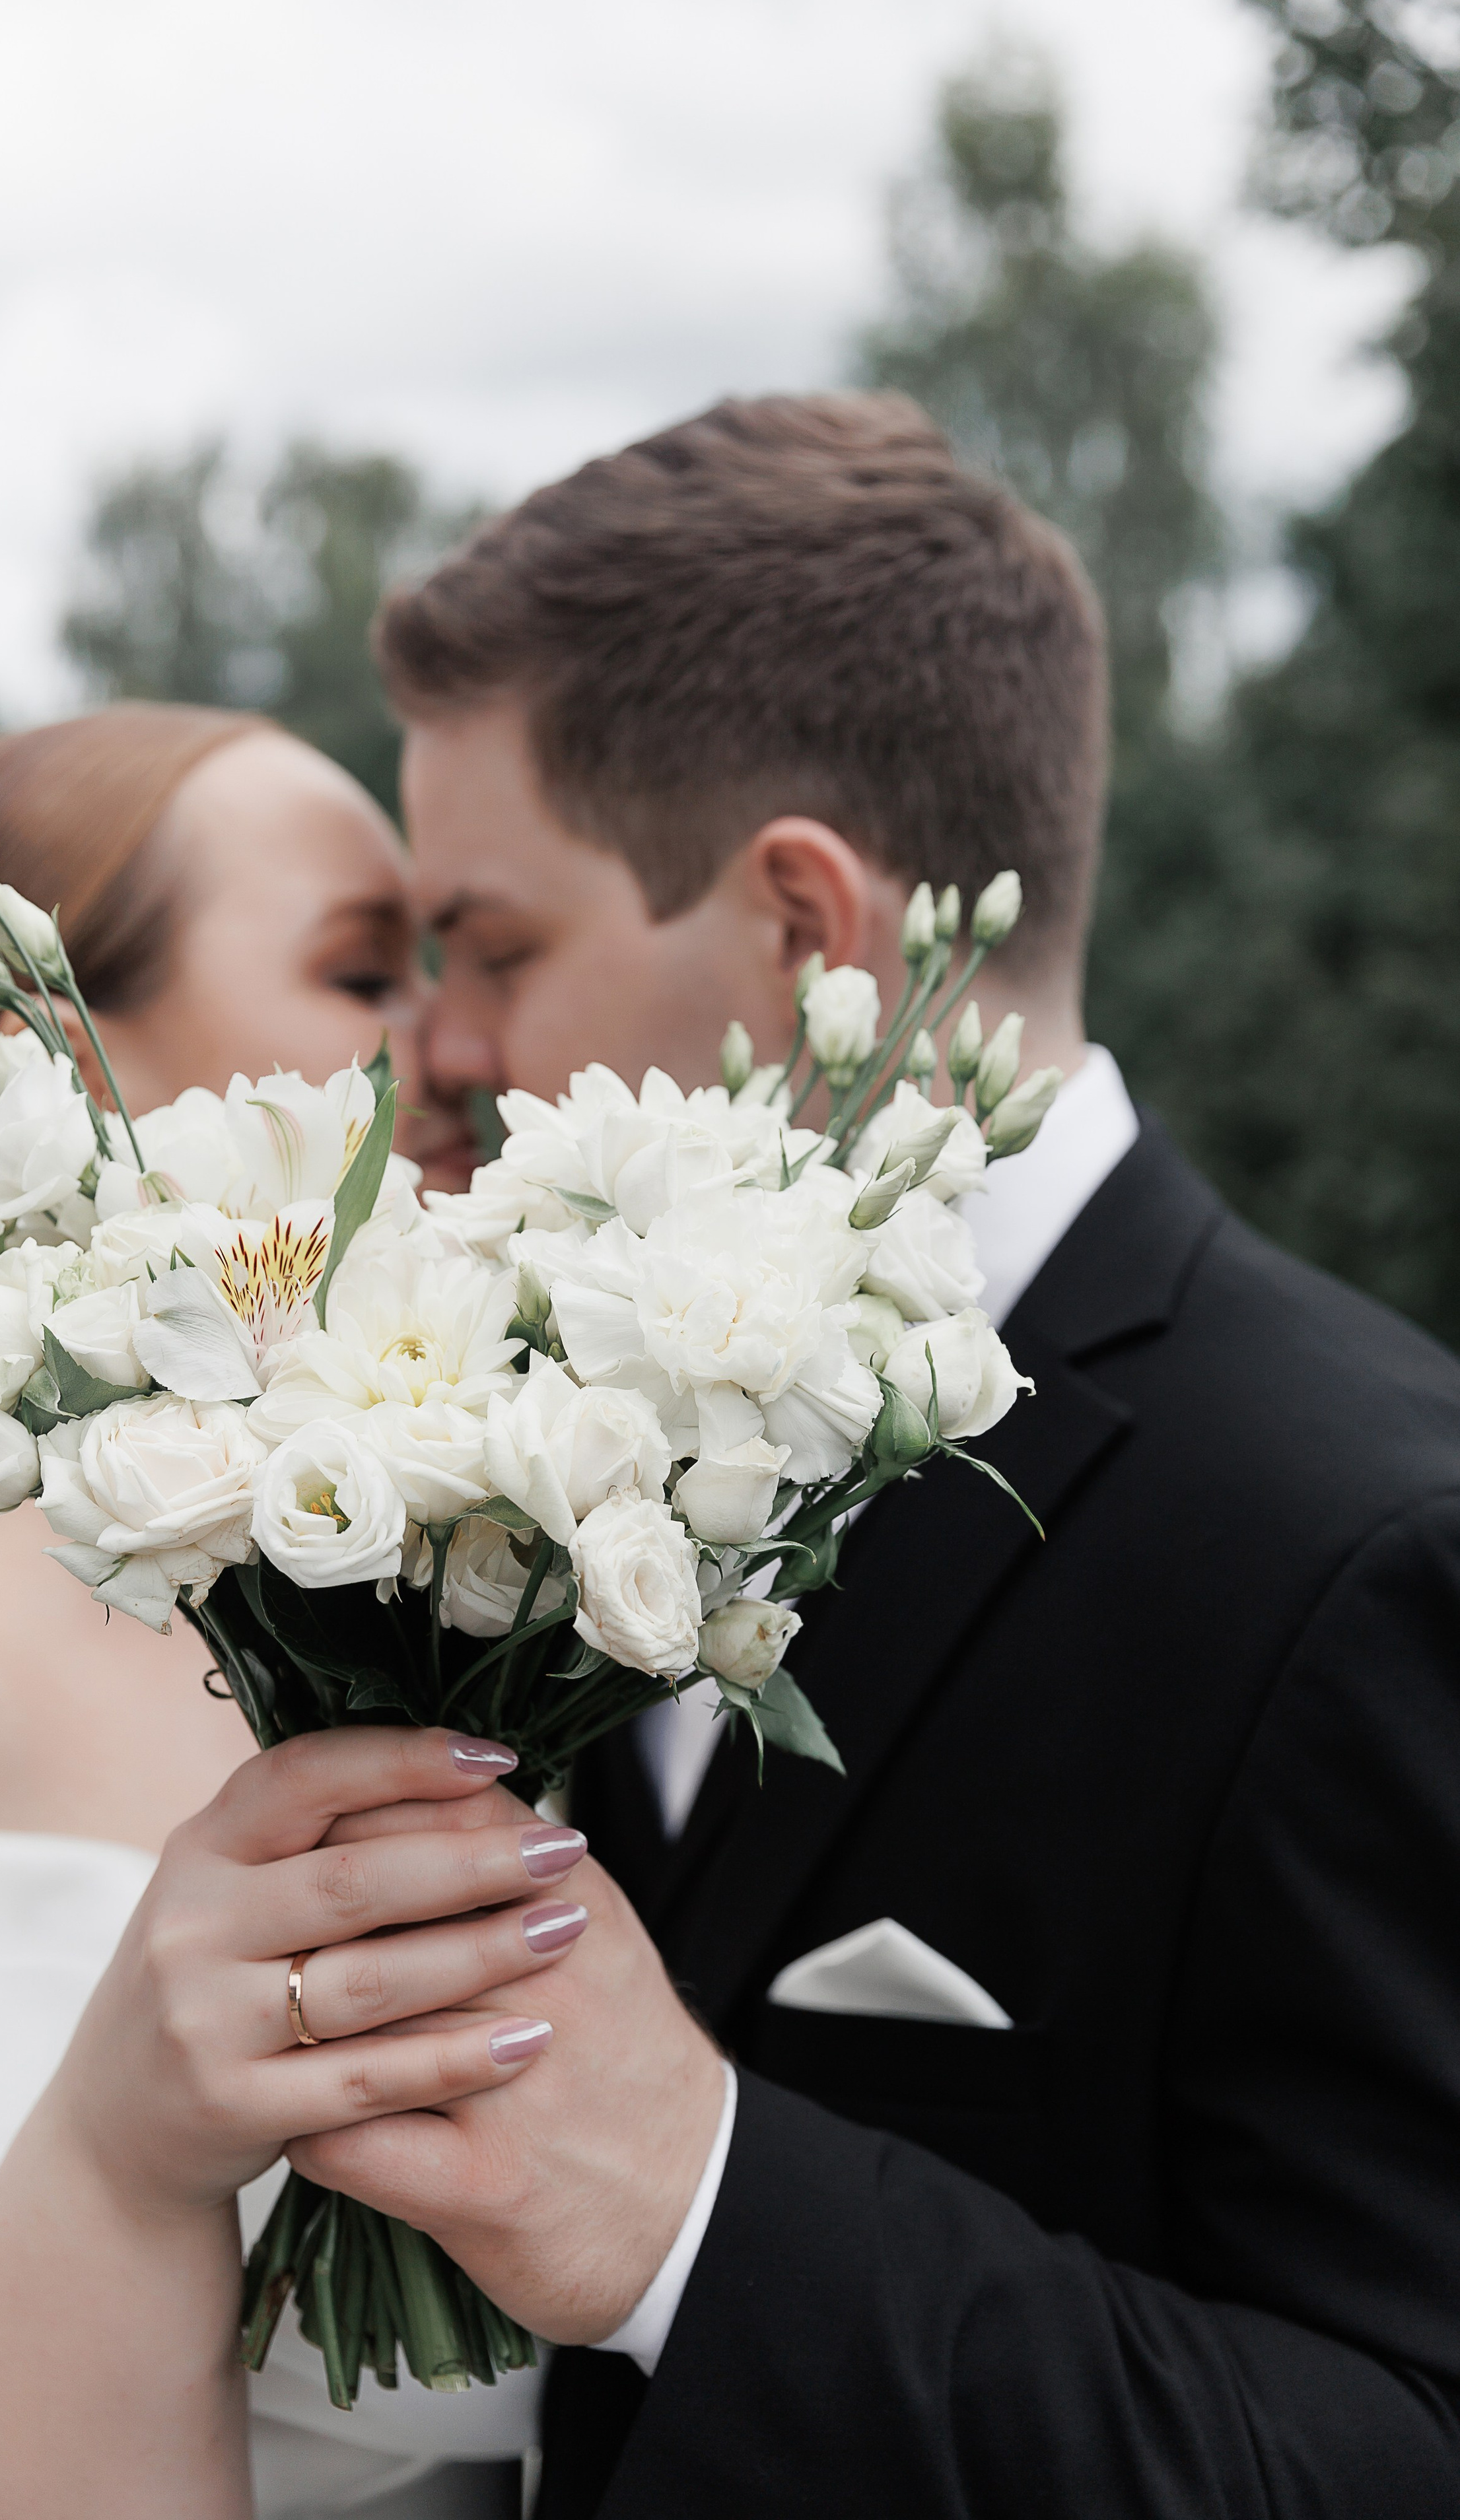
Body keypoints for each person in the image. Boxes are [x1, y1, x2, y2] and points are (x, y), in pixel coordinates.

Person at [265, 393, 1460, 2517]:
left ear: (811, 933)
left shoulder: (1362, 1542)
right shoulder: (543, 1449)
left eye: (498, 945)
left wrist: (703, 2212)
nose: (438, 1049)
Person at [0, 706, 558, 2519]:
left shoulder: (414, 1602)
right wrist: (132, 2165)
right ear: (42, 1068)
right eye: (367, 969)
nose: (456, 1046)